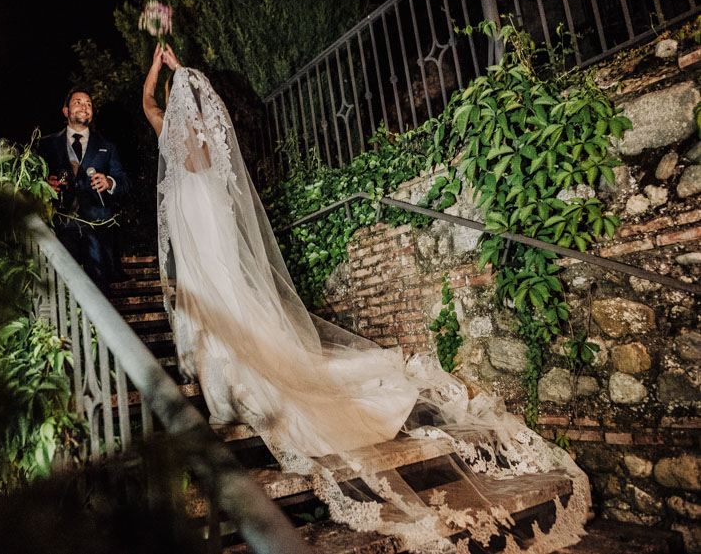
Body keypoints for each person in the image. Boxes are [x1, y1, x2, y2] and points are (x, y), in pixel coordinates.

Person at [143, 45, 590, 553]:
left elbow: (150, 108)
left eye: (181, 105)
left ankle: (229, 392)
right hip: (213, 277)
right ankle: (228, 388)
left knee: (232, 333)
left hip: (214, 277)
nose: (177, 112)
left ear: (189, 114)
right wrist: (175, 72)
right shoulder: (197, 149)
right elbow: (157, 111)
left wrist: (162, 73)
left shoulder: (184, 152)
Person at [38, 86, 129, 296]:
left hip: (97, 228)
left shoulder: (108, 147)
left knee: (99, 291)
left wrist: (110, 182)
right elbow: (32, 182)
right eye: (78, 102)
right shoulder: (46, 144)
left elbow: (125, 183)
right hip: (60, 227)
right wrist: (45, 185)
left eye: (89, 104)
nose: (84, 107)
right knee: (61, 288)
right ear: (66, 111)